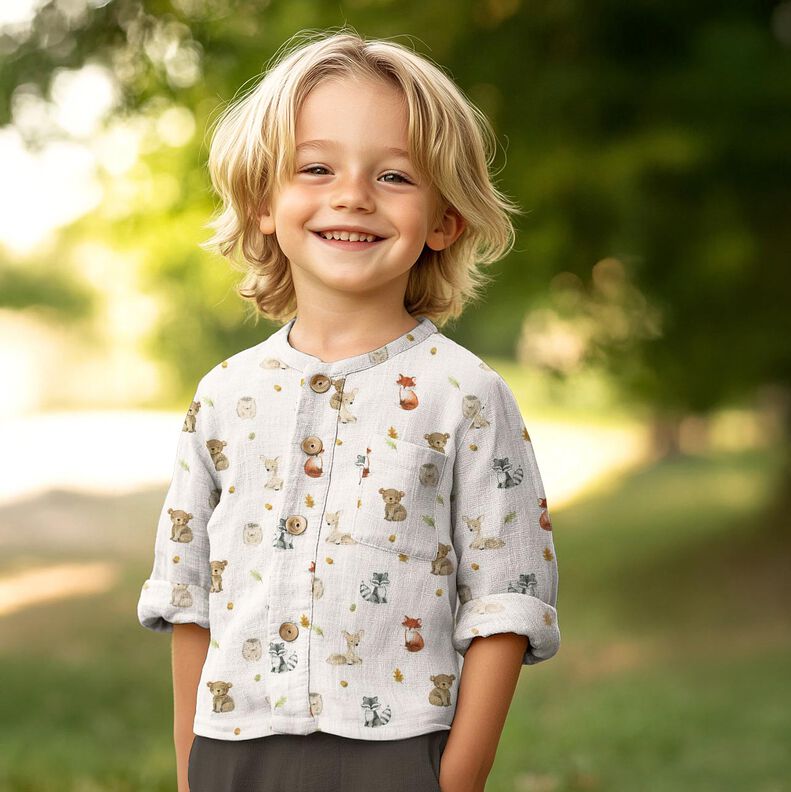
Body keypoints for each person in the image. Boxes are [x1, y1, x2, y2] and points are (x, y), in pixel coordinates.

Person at [136, 27, 561, 792]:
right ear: (264, 202)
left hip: (401, 754)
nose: (352, 194)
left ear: (444, 220)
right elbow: (188, 595)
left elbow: (508, 597)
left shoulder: (464, 395)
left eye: (395, 176)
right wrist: (190, 769)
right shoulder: (222, 396)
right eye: (316, 167)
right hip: (233, 751)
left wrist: (454, 777)